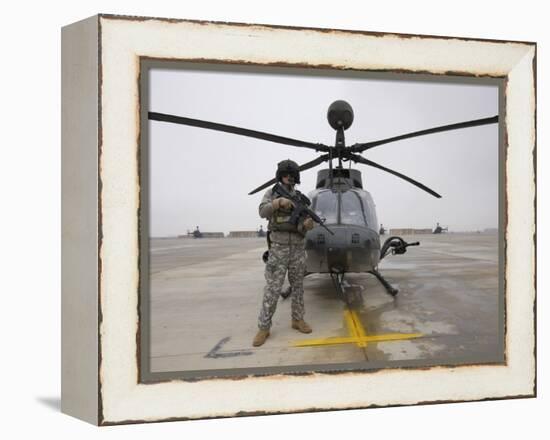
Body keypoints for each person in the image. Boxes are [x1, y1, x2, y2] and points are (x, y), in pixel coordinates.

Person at [252, 160, 315, 347]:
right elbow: (262, 211)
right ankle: (264, 327)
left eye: (293, 175)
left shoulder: (301, 199)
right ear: (280, 175)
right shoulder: (272, 193)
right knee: (272, 289)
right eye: (287, 174)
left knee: (298, 288)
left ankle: (298, 320)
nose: (290, 177)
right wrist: (278, 203)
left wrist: (309, 225)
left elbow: (306, 222)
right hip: (278, 248)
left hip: (297, 248)